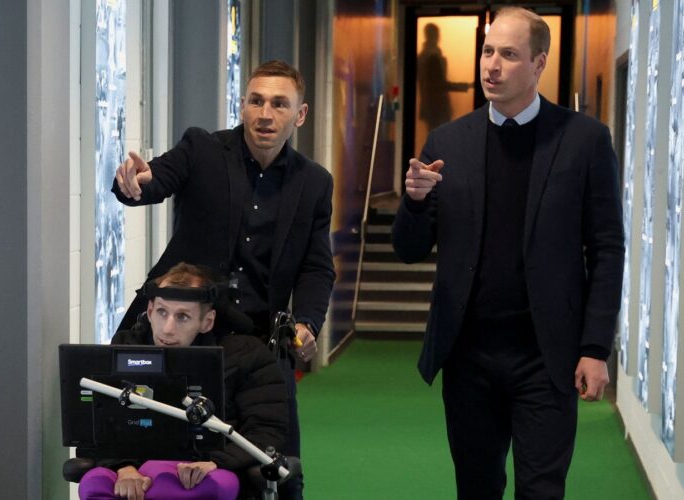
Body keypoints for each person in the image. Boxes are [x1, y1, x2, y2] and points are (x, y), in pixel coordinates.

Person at [392, 7, 624, 499]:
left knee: (542, 490)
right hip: (469, 354)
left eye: (509, 55)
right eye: (488, 51)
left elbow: (606, 247)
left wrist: (595, 347)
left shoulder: (583, 140)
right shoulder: (448, 141)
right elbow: (410, 251)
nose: (492, 65)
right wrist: (413, 204)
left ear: (539, 64)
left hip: (548, 355)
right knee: (477, 488)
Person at [112, 59, 335, 498]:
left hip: (257, 341)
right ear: (243, 104)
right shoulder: (203, 149)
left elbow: (316, 266)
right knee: (137, 441)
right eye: (255, 101)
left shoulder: (314, 183)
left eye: (278, 104)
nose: (265, 114)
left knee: (281, 471)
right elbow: (156, 179)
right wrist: (136, 183)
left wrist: (307, 322)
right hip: (180, 326)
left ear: (300, 114)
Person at [78, 263, 288, 500]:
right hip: (134, 468)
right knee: (94, 485)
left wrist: (216, 463)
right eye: (162, 312)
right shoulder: (125, 348)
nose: (168, 329)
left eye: (183, 317)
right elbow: (100, 423)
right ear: (149, 311)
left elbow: (266, 429)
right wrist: (123, 467)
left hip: (207, 470)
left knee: (201, 487)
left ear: (207, 322)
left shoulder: (246, 355)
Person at [417, 23, 471, 131]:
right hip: (438, 107)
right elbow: (440, 84)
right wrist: (466, 86)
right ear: (435, 36)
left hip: (430, 106)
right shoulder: (433, 56)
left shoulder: (422, 56)